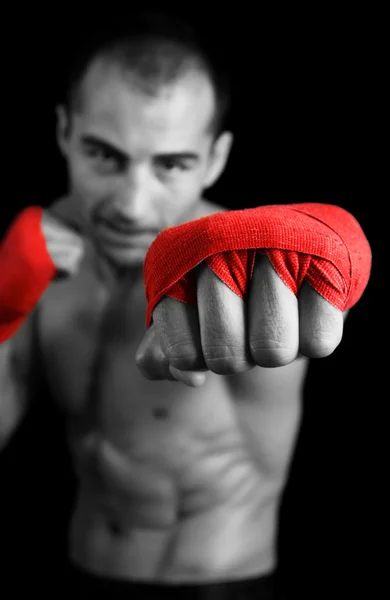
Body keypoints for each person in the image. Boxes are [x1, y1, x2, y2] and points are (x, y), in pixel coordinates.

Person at [0, 11, 371, 599]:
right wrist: (0, 313)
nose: (131, 203)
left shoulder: (233, 267)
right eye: (105, 155)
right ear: (65, 132)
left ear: (216, 158)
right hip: (76, 569)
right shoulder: (42, 250)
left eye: (172, 165)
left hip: (215, 584)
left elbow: (299, 290)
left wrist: (320, 250)